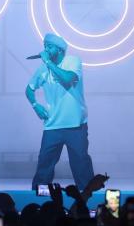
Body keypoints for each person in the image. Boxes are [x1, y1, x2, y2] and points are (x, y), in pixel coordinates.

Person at [26, 33, 95, 191]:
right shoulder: (43, 69)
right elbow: (29, 89)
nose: (46, 49)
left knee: (80, 164)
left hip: (75, 125)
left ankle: (88, 200)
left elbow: (67, 79)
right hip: (52, 125)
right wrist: (36, 105)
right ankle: (40, 202)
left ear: (60, 49)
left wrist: (48, 63)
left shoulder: (72, 61)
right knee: (44, 165)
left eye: (49, 46)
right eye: (45, 46)